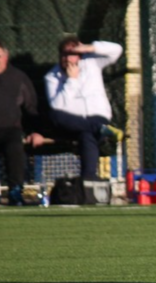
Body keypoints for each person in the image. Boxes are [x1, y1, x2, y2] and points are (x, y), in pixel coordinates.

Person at [44, 36, 123, 180]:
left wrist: (90, 47)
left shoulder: (92, 62)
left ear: (80, 55)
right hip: (70, 124)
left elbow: (117, 50)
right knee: (54, 115)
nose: (68, 59)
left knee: (87, 135)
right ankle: (98, 128)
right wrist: (71, 80)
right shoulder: (52, 76)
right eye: (64, 54)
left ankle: (88, 180)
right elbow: (57, 105)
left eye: (72, 54)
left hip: (97, 115)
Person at [0, 39, 45, 205]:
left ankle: (15, 191)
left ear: (6, 56)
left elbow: (31, 107)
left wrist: (35, 131)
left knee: (15, 148)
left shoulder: (18, 77)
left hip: (9, 130)